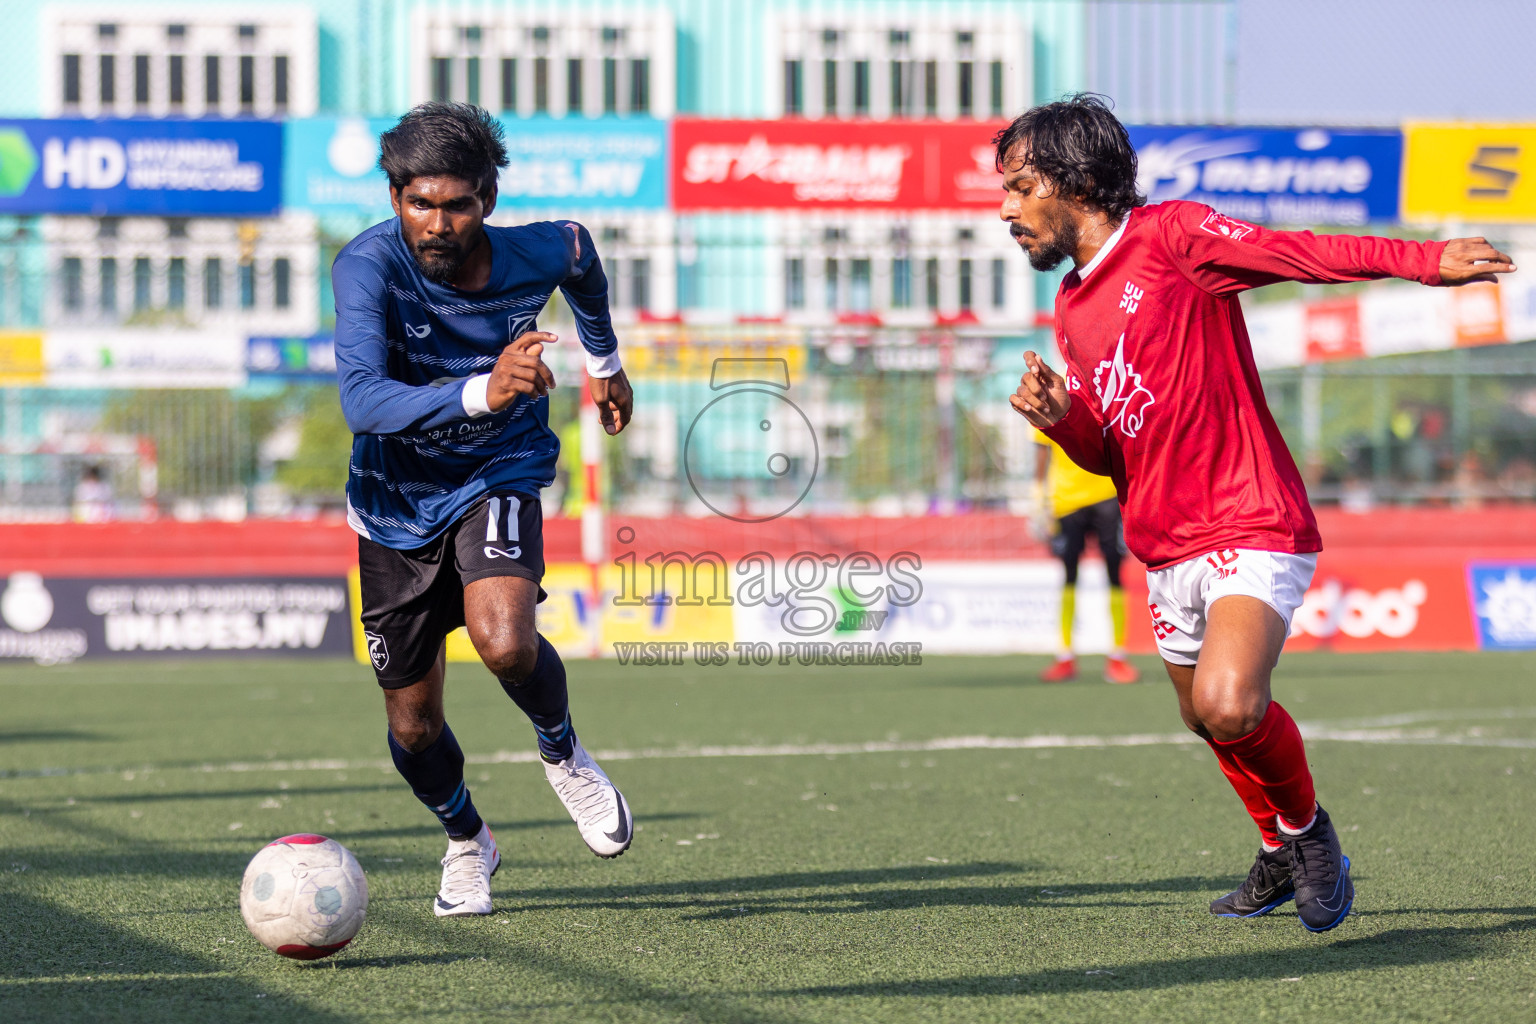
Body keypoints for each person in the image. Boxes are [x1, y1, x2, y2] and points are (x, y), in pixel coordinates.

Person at [1000, 94, 1514, 932]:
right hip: (1163, 545)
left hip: (1249, 517)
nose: (1007, 208)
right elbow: (1110, 454)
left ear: (1074, 179)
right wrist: (1063, 421)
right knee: (1202, 716)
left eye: (1022, 186)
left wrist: (1423, 260)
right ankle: (1276, 849)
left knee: (1233, 703)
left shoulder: (1172, 235)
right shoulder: (1072, 306)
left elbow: (1300, 251)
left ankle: (1310, 837)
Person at [333, 103, 636, 917]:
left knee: (506, 642)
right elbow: (362, 402)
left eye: (457, 203)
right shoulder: (366, 267)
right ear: (395, 196)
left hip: (499, 470)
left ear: (488, 198)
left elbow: (581, 255)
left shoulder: (531, 250)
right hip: (393, 506)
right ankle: (469, 840)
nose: (438, 222)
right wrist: (482, 387)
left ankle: (564, 754)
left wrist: (604, 360)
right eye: (420, 202)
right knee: (414, 731)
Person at [1032, 435, 1140, 683]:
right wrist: (1038, 499)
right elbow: (1041, 453)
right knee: (1069, 575)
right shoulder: (1046, 397)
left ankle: (1117, 657)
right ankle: (1065, 657)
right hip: (1066, 501)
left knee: (1115, 572)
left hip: (1108, 495)